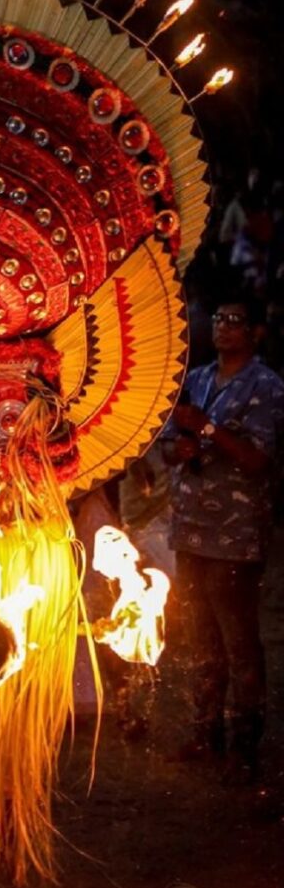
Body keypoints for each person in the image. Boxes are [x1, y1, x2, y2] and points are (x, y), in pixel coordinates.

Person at [161, 296, 284, 783]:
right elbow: (169, 446)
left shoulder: (268, 386)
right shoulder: (196, 380)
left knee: (239, 639)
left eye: (236, 321)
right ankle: (204, 731)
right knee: (200, 637)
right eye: (219, 319)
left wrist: (208, 429)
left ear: (256, 332)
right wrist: (182, 446)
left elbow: (258, 460)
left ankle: (245, 744)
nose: (224, 327)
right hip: (190, 528)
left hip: (234, 534)